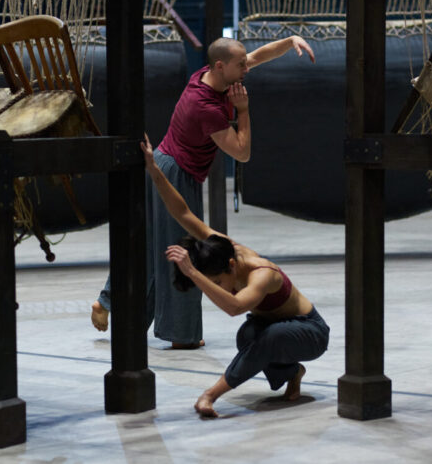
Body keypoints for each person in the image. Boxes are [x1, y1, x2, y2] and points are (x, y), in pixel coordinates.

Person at [92, 35, 316, 348]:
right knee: (186, 252)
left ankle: (107, 302)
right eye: (240, 65)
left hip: (161, 166)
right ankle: (181, 334)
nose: (246, 68)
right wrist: (244, 111)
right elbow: (242, 152)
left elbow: (257, 56)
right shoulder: (206, 106)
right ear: (222, 66)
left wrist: (289, 41)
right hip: (176, 174)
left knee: (146, 246)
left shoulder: (211, 75)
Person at [140, 134, 329, 417]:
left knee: (268, 337)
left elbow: (235, 307)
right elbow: (182, 212)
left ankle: (210, 395)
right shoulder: (220, 245)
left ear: (231, 266)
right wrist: (155, 170)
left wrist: (191, 272)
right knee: (247, 335)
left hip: (310, 332)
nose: (220, 289)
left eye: (218, 283)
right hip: (276, 329)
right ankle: (292, 372)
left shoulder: (262, 274)